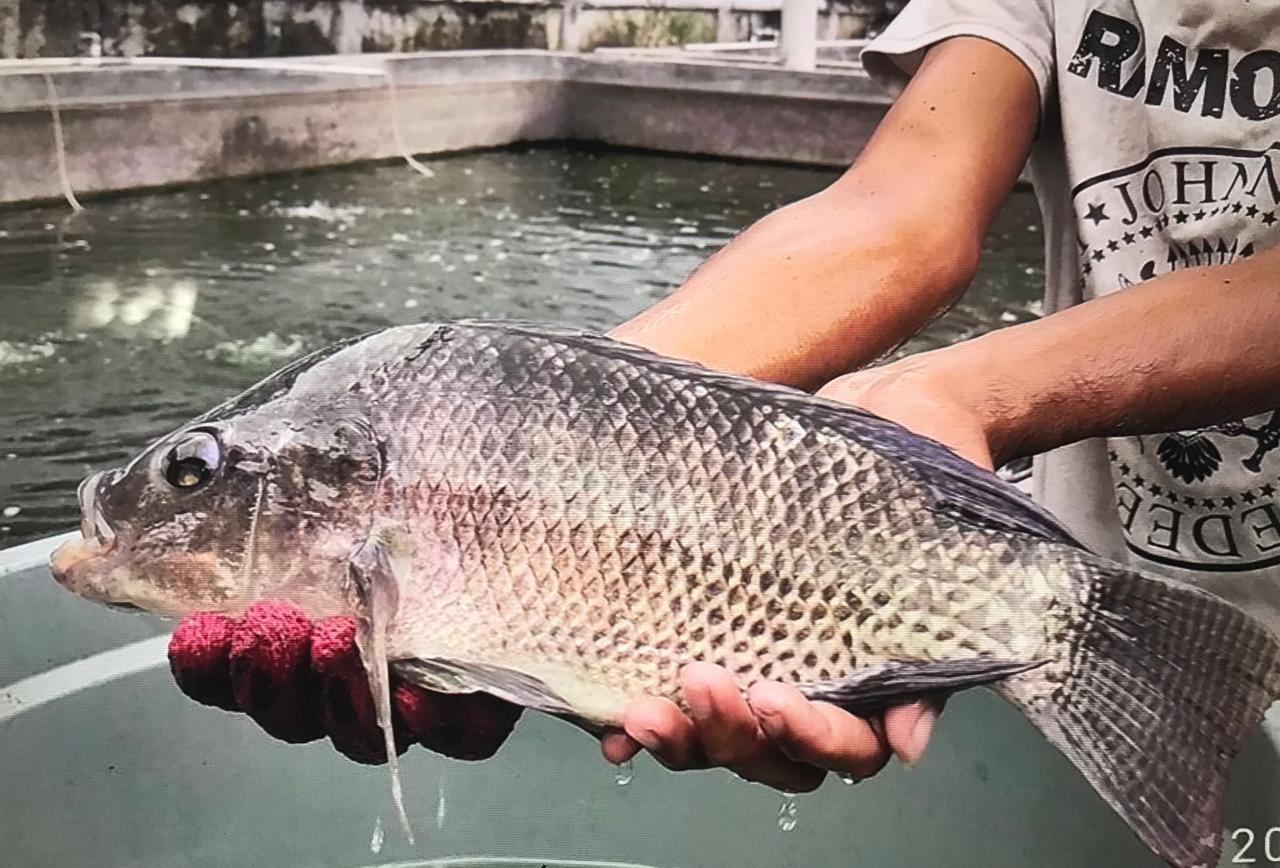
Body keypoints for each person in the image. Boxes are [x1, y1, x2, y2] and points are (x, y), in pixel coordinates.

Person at [169, 1, 1280, 800]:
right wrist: (529, 455)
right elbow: (899, 213)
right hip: (1090, 584)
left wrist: (961, 387)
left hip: (1098, 597)